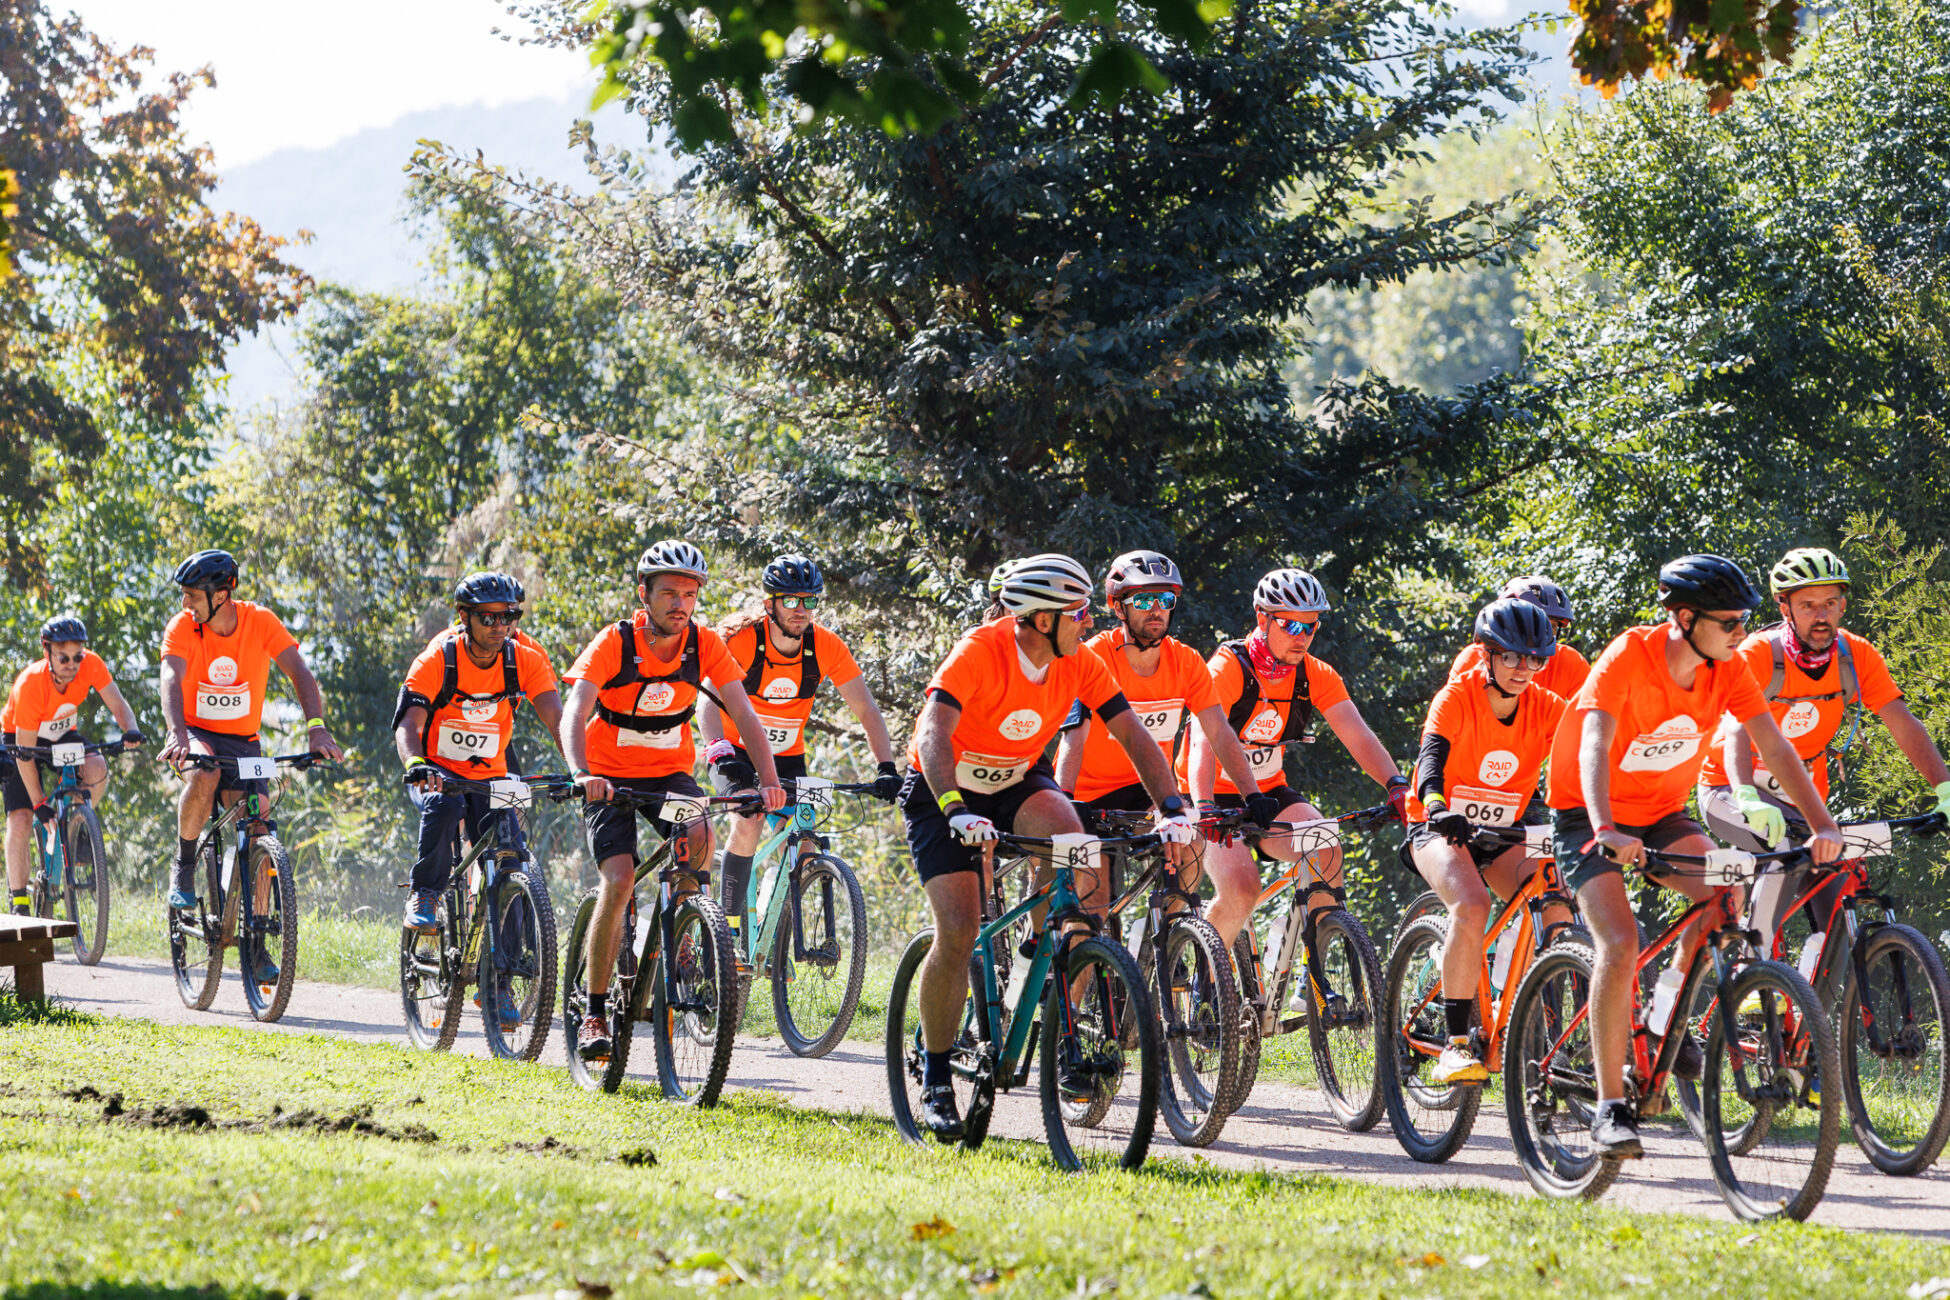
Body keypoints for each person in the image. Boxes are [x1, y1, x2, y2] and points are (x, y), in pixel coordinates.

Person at [1548, 554, 1843, 1158]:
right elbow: (1595, 741)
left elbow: (1776, 747)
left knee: (1724, 894)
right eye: (1729, 622)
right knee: (1620, 941)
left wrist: (1823, 827)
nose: (1741, 634)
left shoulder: (1727, 670)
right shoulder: (1630, 655)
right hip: (1589, 814)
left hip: (1660, 814)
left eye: (1743, 622)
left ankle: (1663, 1021)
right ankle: (1609, 1108)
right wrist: (1604, 825)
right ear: (1684, 619)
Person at [901, 553, 1199, 1140]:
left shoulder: (1078, 661)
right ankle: (936, 1078)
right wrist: (955, 809)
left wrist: (1172, 807)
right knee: (959, 930)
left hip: (1014, 779)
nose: (1088, 622)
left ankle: (1039, 951)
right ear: (1041, 620)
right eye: (1077, 612)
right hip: (947, 787)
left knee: (1080, 852)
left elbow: (1133, 732)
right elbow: (933, 733)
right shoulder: (980, 650)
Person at [560, 541, 787, 1062]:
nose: (680, 603)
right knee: (618, 881)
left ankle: (684, 938)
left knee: (701, 835)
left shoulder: (704, 643)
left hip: (668, 775)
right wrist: (581, 773)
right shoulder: (615, 641)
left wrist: (769, 779)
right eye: (668, 593)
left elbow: (743, 712)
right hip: (608, 778)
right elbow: (576, 709)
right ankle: (595, 1010)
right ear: (644, 594)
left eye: (689, 593)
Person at [1697, 546, 1950, 941]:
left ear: (1843, 606)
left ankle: (1812, 1001)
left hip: (1803, 796)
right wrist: (1746, 796)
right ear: (1786, 608)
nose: (1821, 615)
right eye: (1809, 604)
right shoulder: (1759, 654)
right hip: (1729, 786)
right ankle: (1751, 965)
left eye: (1830, 603)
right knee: (1782, 847)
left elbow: (1902, 723)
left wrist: (1945, 788)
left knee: (1835, 913)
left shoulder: (1856, 655)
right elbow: (1736, 730)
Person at [1181, 568, 1410, 958]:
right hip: (1210, 799)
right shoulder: (1227, 668)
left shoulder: (1314, 675)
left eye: (1311, 627)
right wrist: (1203, 806)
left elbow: (1358, 735)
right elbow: (1203, 741)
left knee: (1327, 844)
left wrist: (1397, 785)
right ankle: (1208, 976)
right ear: (1262, 618)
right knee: (1241, 890)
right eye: (1290, 625)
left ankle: (1309, 960)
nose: (1301, 636)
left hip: (1268, 797)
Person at [700, 553, 902, 950]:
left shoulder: (825, 645)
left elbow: (866, 708)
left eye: (809, 601)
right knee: (749, 817)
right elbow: (708, 701)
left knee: (805, 846)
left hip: (788, 756)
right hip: (734, 749)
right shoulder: (743, 641)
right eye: (790, 600)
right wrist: (717, 748)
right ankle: (727, 925)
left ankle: (773, 926)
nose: (801, 610)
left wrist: (886, 767)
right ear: (769, 604)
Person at [1404, 598, 1568, 1084]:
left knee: (1557, 896)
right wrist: (1437, 805)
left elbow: (1585, 757)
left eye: (1535, 659)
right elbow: (1430, 764)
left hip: (1504, 833)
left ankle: (1543, 1031)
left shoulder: (1547, 707)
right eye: (1513, 657)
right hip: (1440, 828)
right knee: (1472, 905)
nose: (1524, 669)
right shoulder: (1456, 698)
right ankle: (1455, 1043)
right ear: (1487, 654)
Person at [158, 551, 343, 976]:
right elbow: (171, 677)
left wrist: (316, 728)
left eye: (192, 596)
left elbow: (299, 672)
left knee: (259, 825)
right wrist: (178, 733)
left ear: (221, 595)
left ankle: (255, 942)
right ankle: (185, 862)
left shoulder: (260, 621)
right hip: (196, 733)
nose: (185, 604)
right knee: (204, 773)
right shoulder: (183, 627)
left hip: (244, 742)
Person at [393, 572, 565, 1021]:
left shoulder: (523, 660)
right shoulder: (439, 659)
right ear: (464, 617)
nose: (498, 625)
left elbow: (557, 719)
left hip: (492, 776)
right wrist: (416, 765)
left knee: (512, 860)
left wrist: (581, 769)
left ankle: (499, 983)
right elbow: (408, 725)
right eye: (487, 617)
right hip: (437, 774)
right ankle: (426, 894)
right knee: (444, 805)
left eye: (508, 616)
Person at [1054, 549, 1262, 826]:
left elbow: (1219, 732)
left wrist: (1253, 795)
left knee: (1188, 842)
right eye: (1142, 600)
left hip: (1148, 788)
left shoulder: (1186, 661)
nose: (1155, 610)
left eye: (1165, 599)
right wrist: (1065, 797)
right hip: (1086, 791)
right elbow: (1074, 736)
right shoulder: (1095, 656)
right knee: (1096, 868)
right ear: (1118, 608)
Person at [3, 617, 143, 915]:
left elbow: (118, 705)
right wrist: (39, 801)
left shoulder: (90, 664)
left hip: (60, 732)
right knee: (22, 816)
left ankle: (75, 828)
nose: (72, 664)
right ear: (47, 652)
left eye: (77, 657)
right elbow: (26, 754)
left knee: (96, 765)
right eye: (63, 658)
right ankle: (19, 900)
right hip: (21, 738)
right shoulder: (31, 683)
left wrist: (130, 729)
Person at [1448, 575, 1591, 699]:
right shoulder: (1474, 657)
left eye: (1550, 626)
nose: (1541, 632)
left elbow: (1595, 710)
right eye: (1532, 623)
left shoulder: (1568, 661)